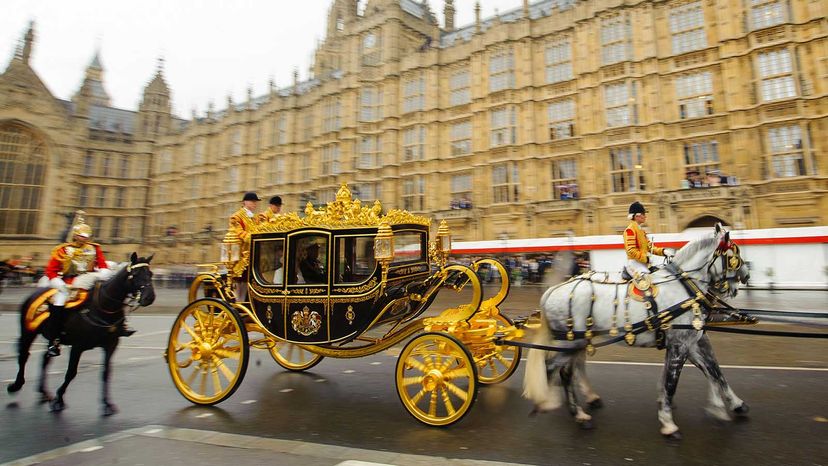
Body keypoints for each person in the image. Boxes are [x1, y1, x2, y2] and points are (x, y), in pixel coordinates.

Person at [44, 215, 123, 357]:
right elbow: (51, 271)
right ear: (75, 236)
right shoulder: (62, 250)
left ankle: (120, 325)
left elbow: (102, 265)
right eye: (82, 236)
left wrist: (102, 274)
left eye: (87, 236)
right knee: (59, 302)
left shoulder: (94, 248)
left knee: (110, 297)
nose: (85, 238)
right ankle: (54, 340)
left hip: (90, 280)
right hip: (68, 284)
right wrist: (59, 284)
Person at [623, 201, 673, 278]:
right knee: (648, 282)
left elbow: (650, 247)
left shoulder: (642, 231)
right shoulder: (630, 230)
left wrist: (663, 252)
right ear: (637, 216)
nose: (645, 216)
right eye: (643, 214)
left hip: (643, 265)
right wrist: (646, 258)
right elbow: (631, 251)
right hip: (635, 265)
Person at [228, 192, 260, 301]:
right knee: (239, 282)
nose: (255, 204)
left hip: (252, 254)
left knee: (247, 282)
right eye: (252, 202)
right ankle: (237, 303)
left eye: (255, 202)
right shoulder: (236, 217)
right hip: (241, 256)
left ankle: (243, 303)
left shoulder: (255, 218)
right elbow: (239, 233)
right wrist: (255, 238)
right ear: (245, 202)